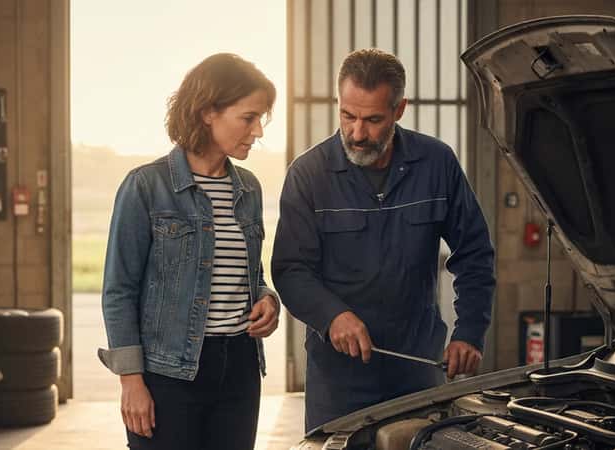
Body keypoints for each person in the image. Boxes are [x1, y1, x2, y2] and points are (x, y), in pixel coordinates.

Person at [271, 48, 495, 431]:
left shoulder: (438, 163)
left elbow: (474, 254)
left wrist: (470, 332)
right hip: (338, 381)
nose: (357, 133)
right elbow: (291, 269)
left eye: (373, 120)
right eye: (347, 115)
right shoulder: (308, 175)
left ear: (399, 109)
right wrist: (332, 315)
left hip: (418, 370)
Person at [98, 53, 281, 450]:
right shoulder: (145, 186)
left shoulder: (248, 189)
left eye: (261, 119)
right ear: (207, 112)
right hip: (168, 375)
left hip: (239, 370)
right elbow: (119, 290)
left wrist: (267, 298)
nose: (257, 131)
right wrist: (131, 382)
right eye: (248, 118)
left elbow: (250, 275)